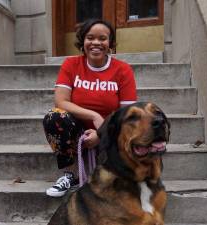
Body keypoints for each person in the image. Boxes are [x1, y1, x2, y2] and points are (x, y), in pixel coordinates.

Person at [43, 19, 137, 197]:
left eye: (102, 38)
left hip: (111, 131)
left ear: (110, 43)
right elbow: (61, 101)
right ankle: (71, 174)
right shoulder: (71, 65)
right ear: (83, 41)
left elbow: (128, 114)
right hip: (77, 132)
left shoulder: (123, 70)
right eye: (90, 37)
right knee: (54, 116)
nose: (96, 43)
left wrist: (102, 132)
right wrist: (94, 116)